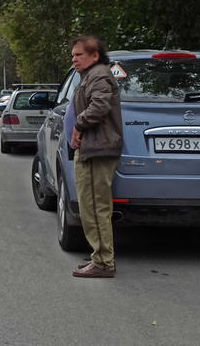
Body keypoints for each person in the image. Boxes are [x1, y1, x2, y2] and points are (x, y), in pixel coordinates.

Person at [69, 36, 123, 278]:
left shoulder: (99, 74)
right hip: (93, 148)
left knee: (95, 206)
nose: (74, 59)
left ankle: (103, 262)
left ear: (94, 56)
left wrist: (78, 126)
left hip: (97, 149)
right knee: (90, 206)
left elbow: (99, 107)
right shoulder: (91, 75)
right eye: (73, 55)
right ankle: (99, 257)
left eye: (79, 55)